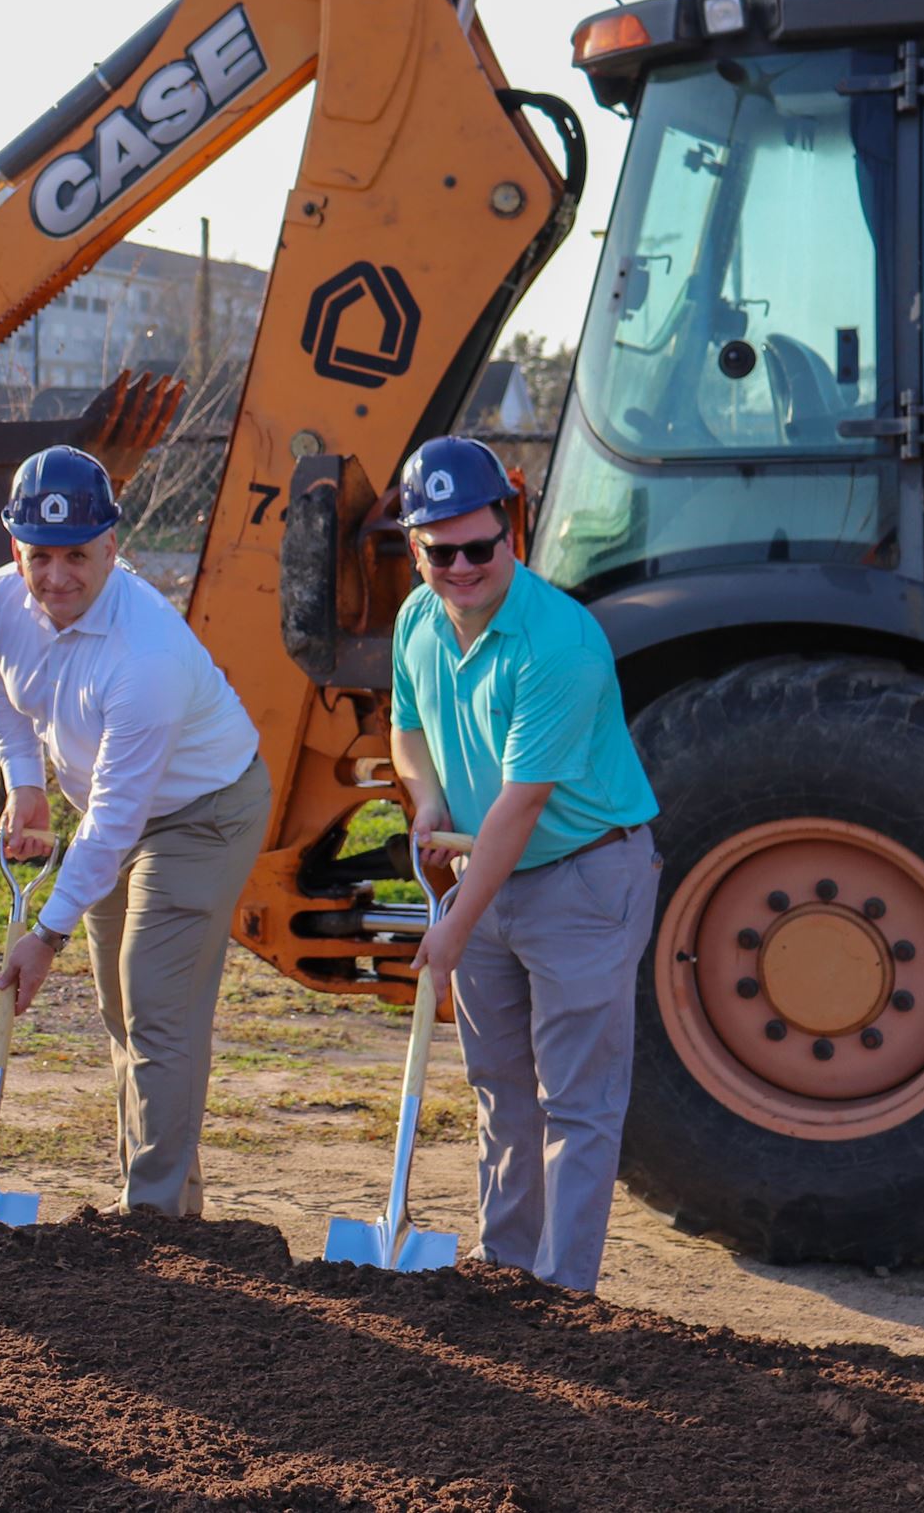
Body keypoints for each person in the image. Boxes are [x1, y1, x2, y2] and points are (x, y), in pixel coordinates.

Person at [390, 435, 662, 1293]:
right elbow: (405, 728)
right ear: (415, 547)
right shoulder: (416, 618)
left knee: (576, 1101)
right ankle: (506, 1277)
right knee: (500, 1088)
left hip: (583, 877)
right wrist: (426, 798)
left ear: (511, 531)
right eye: (442, 550)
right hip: (483, 874)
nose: (463, 566)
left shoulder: (560, 642)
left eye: (481, 544)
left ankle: (563, 1296)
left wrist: (452, 928)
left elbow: (522, 803)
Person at [0, 446, 270, 1217]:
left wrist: (44, 935)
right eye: (39, 556)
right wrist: (27, 783)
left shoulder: (145, 652)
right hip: (115, 812)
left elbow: (113, 819)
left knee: (155, 999)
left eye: (77, 554)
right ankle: (174, 1201)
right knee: (120, 1005)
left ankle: (148, 1218)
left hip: (205, 812)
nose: (56, 576)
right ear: (16, 549)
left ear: (113, 546)